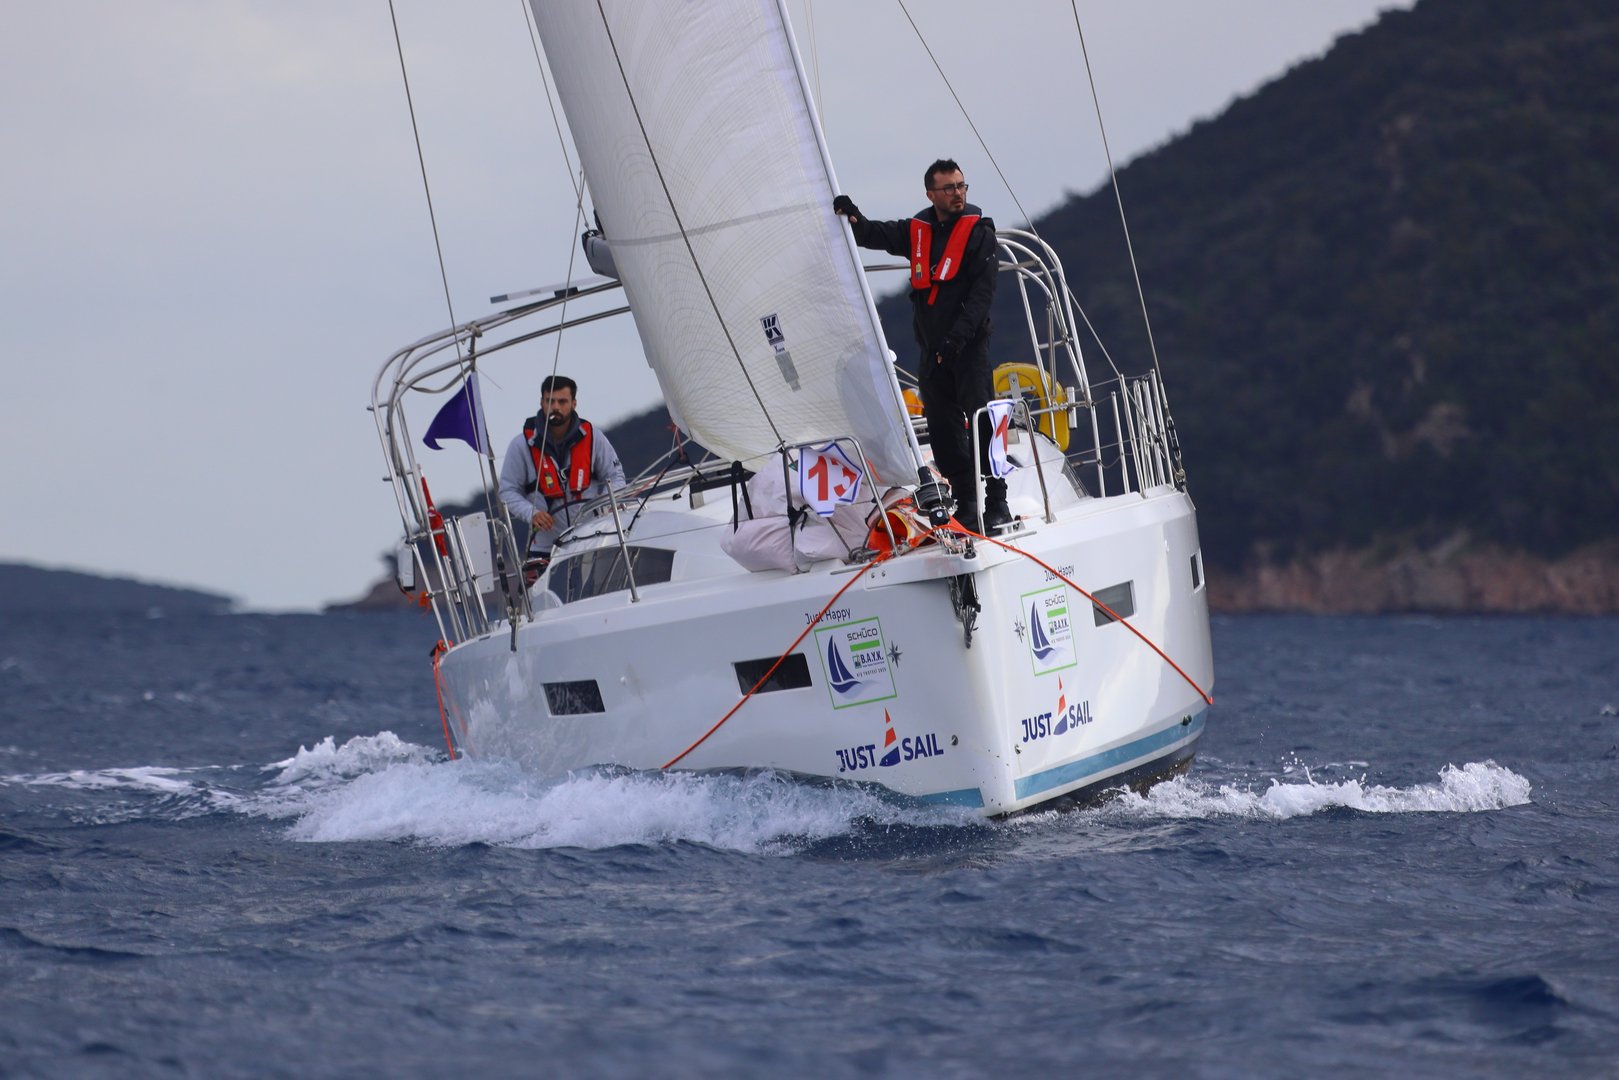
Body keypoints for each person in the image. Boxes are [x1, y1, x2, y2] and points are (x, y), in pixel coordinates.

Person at [834, 158, 1010, 532]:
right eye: (949, 188)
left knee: (982, 422)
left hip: (968, 348)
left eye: (961, 186)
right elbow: (876, 235)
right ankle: (967, 502)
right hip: (933, 352)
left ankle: (998, 502)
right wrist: (853, 218)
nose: (957, 193)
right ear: (931, 194)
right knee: (943, 429)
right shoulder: (919, 231)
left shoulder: (979, 233)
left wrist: (956, 339)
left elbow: (982, 297)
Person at [499, 375, 626, 573]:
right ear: (541, 402)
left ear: (574, 404)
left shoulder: (594, 438)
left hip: (593, 541)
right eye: (550, 401)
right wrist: (531, 513)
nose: (555, 407)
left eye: (562, 401)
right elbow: (507, 492)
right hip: (544, 549)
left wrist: (605, 504)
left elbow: (616, 476)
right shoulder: (521, 445)